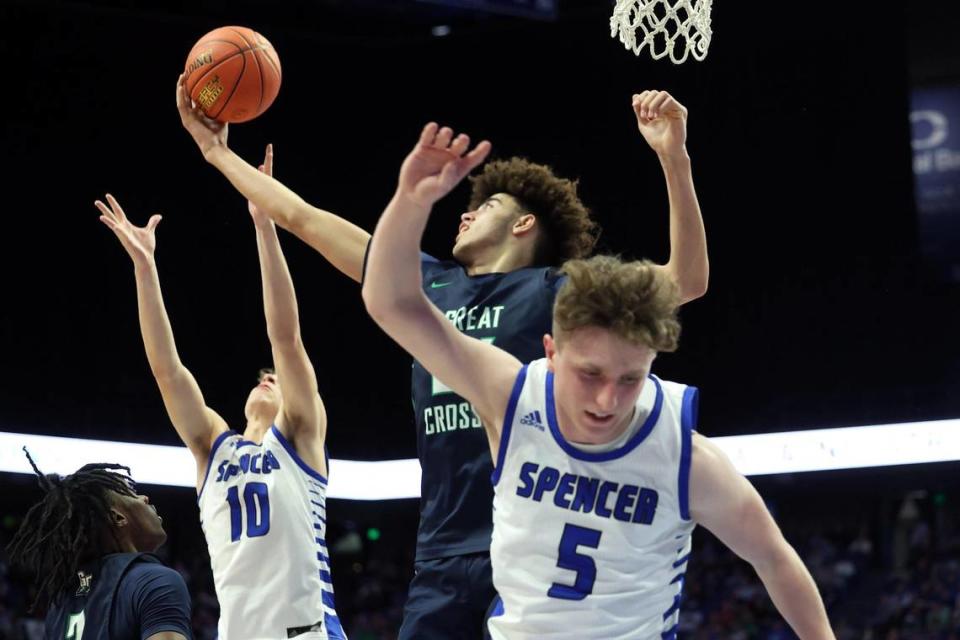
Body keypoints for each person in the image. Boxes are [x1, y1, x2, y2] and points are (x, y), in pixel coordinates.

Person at [178, 78, 708, 637]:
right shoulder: (427, 286)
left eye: (486, 207)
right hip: (442, 552)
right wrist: (216, 152)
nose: (463, 215)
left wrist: (674, 158)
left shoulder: (561, 292)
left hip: (529, 545)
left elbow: (686, 280)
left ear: (524, 224)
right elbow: (303, 218)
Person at [360, 123, 836, 639]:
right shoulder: (510, 396)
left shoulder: (683, 456)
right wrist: (410, 202)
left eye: (631, 378)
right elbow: (393, 303)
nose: (609, 399)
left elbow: (775, 559)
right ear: (550, 352)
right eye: (590, 374)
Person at [96, 147, 345, 639]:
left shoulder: (300, 438)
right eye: (262, 376)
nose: (267, 378)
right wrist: (145, 270)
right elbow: (168, 371)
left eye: (275, 377)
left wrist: (264, 224)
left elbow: (285, 335)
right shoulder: (214, 445)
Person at [7, 450, 192, 640]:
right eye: (132, 494)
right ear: (118, 518)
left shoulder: (61, 603)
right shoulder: (153, 581)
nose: (144, 498)